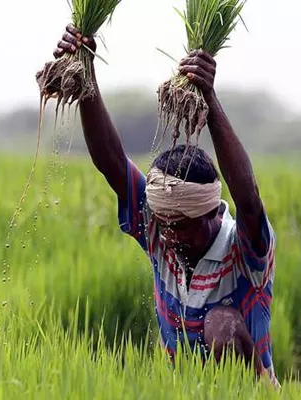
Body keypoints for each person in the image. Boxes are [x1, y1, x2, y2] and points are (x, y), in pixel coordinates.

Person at [38, 24, 279, 387]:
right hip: (182, 391)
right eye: (164, 223)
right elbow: (112, 162)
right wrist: (85, 70)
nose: (169, 235)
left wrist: (210, 102)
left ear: (212, 213)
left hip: (248, 391)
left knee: (220, 324)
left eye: (181, 225)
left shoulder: (245, 250)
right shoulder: (160, 229)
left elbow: (248, 198)